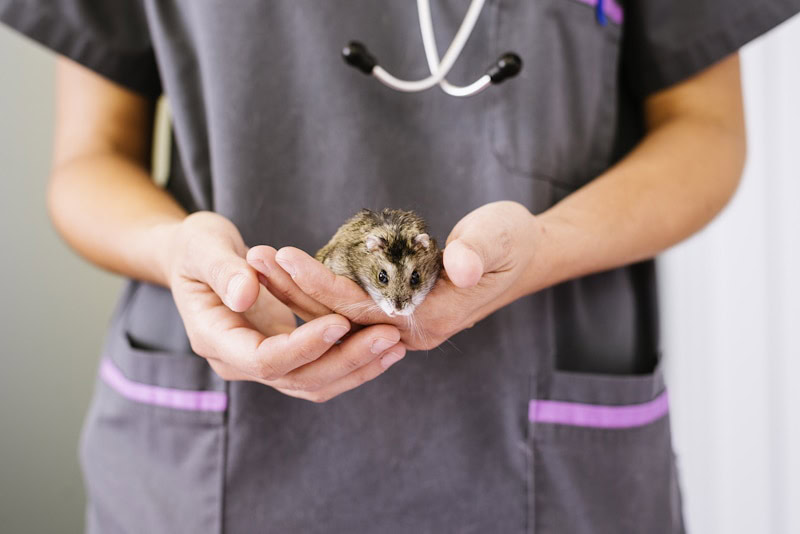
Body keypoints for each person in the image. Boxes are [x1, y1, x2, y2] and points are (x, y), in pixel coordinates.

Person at [2, 1, 798, 532]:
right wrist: (179, 251)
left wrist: (545, 246)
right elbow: (87, 161)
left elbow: (707, 133)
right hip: (217, 455)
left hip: (548, 456)